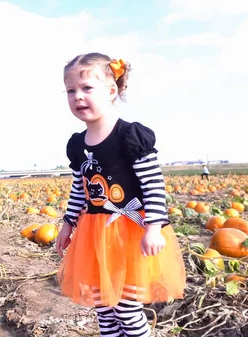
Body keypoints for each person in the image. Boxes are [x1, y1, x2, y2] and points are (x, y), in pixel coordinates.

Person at [56, 52, 186, 337]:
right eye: (71, 90)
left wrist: (154, 227)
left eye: (87, 88)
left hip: (129, 234)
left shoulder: (130, 136)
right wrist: (68, 224)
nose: (78, 96)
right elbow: (80, 188)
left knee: (126, 309)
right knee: (103, 308)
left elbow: (153, 185)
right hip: (93, 235)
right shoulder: (77, 144)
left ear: (111, 90)